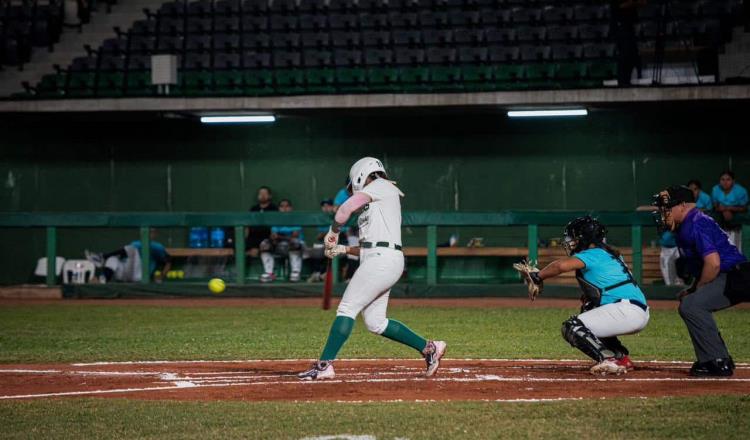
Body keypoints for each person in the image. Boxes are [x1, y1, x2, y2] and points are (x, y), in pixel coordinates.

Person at [298, 157, 446, 380]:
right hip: (381, 258)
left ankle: (324, 365)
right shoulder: (380, 199)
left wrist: (333, 232)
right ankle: (429, 348)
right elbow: (371, 245)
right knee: (376, 322)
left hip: (382, 261)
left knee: (347, 308)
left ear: (361, 174)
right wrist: (342, 249)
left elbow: (344, 209)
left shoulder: (381, 186)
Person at [515, 216, 649, 376]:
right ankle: (620, 357)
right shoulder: (608, 254)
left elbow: (560, 265)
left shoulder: (593, 253)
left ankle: (609, 359)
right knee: (588, 306)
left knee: (571, 326)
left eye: (574, 237)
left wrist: (538, 276)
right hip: (635, 310)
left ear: (585, 238)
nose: (570, 242)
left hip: (625, 311)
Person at [652, 185, 748, 376]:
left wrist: (699, 288)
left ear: (681, 205)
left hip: (734, 275)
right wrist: (694, 288)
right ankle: (715, 358)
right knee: (690, 303)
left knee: (692, 306)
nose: (664, 213)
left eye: (667, 207)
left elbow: (713, 264)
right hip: (732, 274)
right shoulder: (690, 222)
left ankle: (717, 361)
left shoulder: (694, 222)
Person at [86, 229, 171, 283]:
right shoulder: (135, 243)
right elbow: (124, 256)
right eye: (146, 231)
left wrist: (162, 276)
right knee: (113, 259)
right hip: (125, 274)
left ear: (155, 234)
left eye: (151, 232)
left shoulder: (157, 246)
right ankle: (102, 280)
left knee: (131, 249)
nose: (148, 233)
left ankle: (103, 257)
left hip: (140, 276)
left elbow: (168, 261)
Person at [260, 199, 304, 283]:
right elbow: (273, 236)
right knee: (264, 244)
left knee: (294, 242)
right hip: (280, 246)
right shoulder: (276, 220)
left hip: (297, 246)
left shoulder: (296, 219)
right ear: (279, 209)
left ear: (291, 208)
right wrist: (285, 236)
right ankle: (269, 273)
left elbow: (295, 235)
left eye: (287, 206)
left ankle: (296, 272)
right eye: (282, 206)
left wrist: (279, 236)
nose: (284, 208)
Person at [711, 170, 748, 249]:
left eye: (728, 179)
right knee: (712, 217)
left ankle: (737, 237)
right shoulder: (715, 189)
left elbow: (744, 208)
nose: (725, 182)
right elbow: (715, 205)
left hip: (737, 212)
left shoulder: (741, 191)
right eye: (722, 179)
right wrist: (723, 210)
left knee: (742, 217)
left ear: (733, 181)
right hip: (721, 212)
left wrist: (729, 208)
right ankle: (718, 244)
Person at [307, 199, 335, 283]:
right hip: (324, 243)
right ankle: (317, 273)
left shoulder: (338, 216)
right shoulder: (321, 219)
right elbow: (320, 236)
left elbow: (339, 233)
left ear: (333, 207)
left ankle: (322, 273)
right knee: (316, 248)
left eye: (328, 206)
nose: (326, 208)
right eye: (324, 206)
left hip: (338, 243)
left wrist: (327, 234)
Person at [246, 186, 278, 254]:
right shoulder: (253, 209)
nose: (262, 195)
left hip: (267, 236)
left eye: (265, 193)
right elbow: (248, 226)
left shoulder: (274, 208)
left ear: (270, 196)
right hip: (253, 237)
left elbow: (276, 227)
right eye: (260, 193)